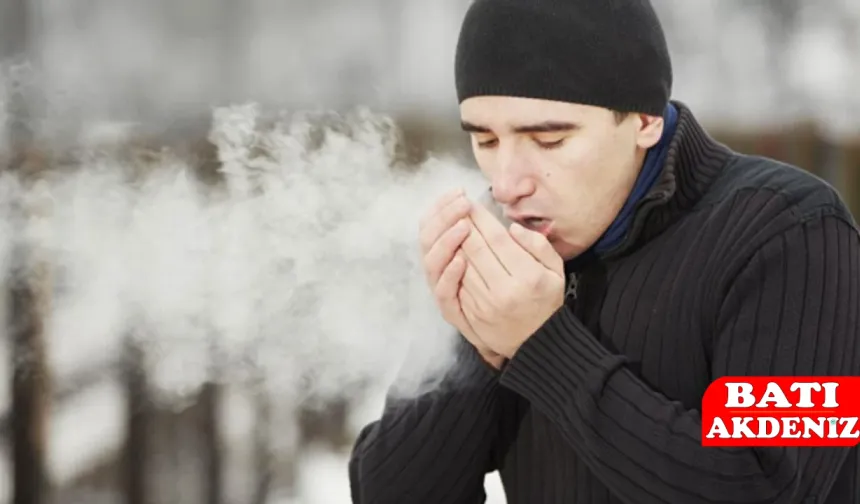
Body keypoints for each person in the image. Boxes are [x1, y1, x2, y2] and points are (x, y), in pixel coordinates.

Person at [348, 0, 860, 502]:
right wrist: (477, 341)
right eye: (486, 141)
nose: (506, 184)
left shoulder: (793, 229)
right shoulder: (501, 250)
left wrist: (542, 344)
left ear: (645, 120)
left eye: (549, 141)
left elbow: (767, 486)